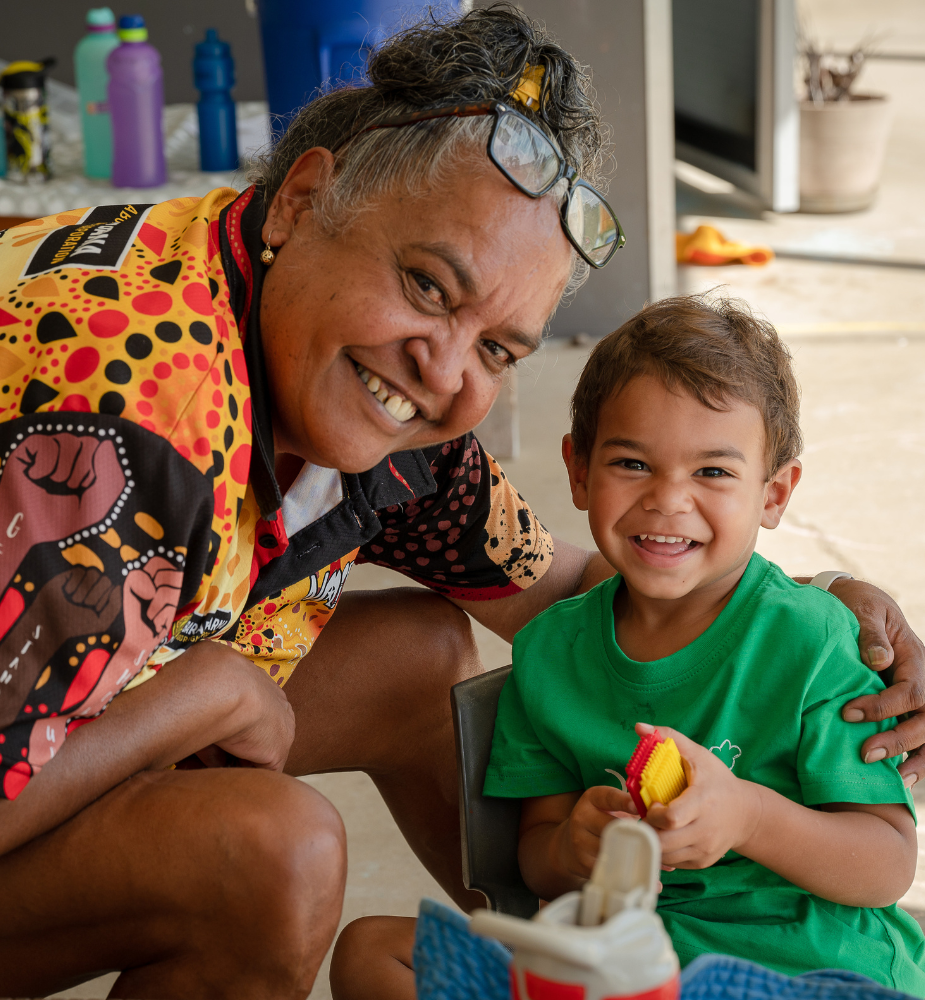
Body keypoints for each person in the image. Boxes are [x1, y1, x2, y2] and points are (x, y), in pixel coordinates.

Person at [0, 10, 922, 999]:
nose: (444, 370)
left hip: (45, 690)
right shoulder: (128, 432)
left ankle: (578, 980)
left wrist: (826, 607)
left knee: (422, 665)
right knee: (273, 856)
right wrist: (201, 690)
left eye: (497, 347)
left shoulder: (381, 407)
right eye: (426, 284)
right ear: (302, 201)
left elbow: (578, 590)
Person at [330, 296, 925, 998]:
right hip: (624, 965)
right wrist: (572, 847)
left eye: (712, 473)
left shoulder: (815, 637)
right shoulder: (552, 651)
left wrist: (748, 816)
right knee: (372, 953)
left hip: (799, 967)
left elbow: (885, 865)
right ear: (578, 471)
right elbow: (539, 852)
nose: (669, 499)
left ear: (774, 493)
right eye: (633, 464)